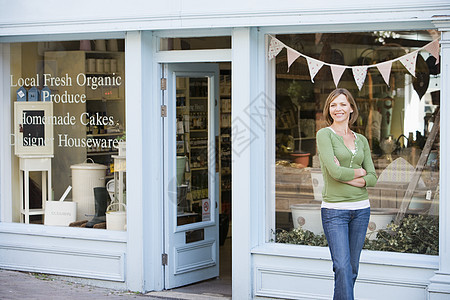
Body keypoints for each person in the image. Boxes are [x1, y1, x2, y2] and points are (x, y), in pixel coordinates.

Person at [316, 88, 377, 300]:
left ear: (351, 108)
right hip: (334, 211)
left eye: (342, 104)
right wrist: (359, 173)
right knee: (341, 267)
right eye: (333, 105)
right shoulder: (324, 135)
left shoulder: (361, 140)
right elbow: (333, 172)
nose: (338, 109)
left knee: (352, 269)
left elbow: (373, 177)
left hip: (361, 210)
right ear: (328, 110)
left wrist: (347, 176)